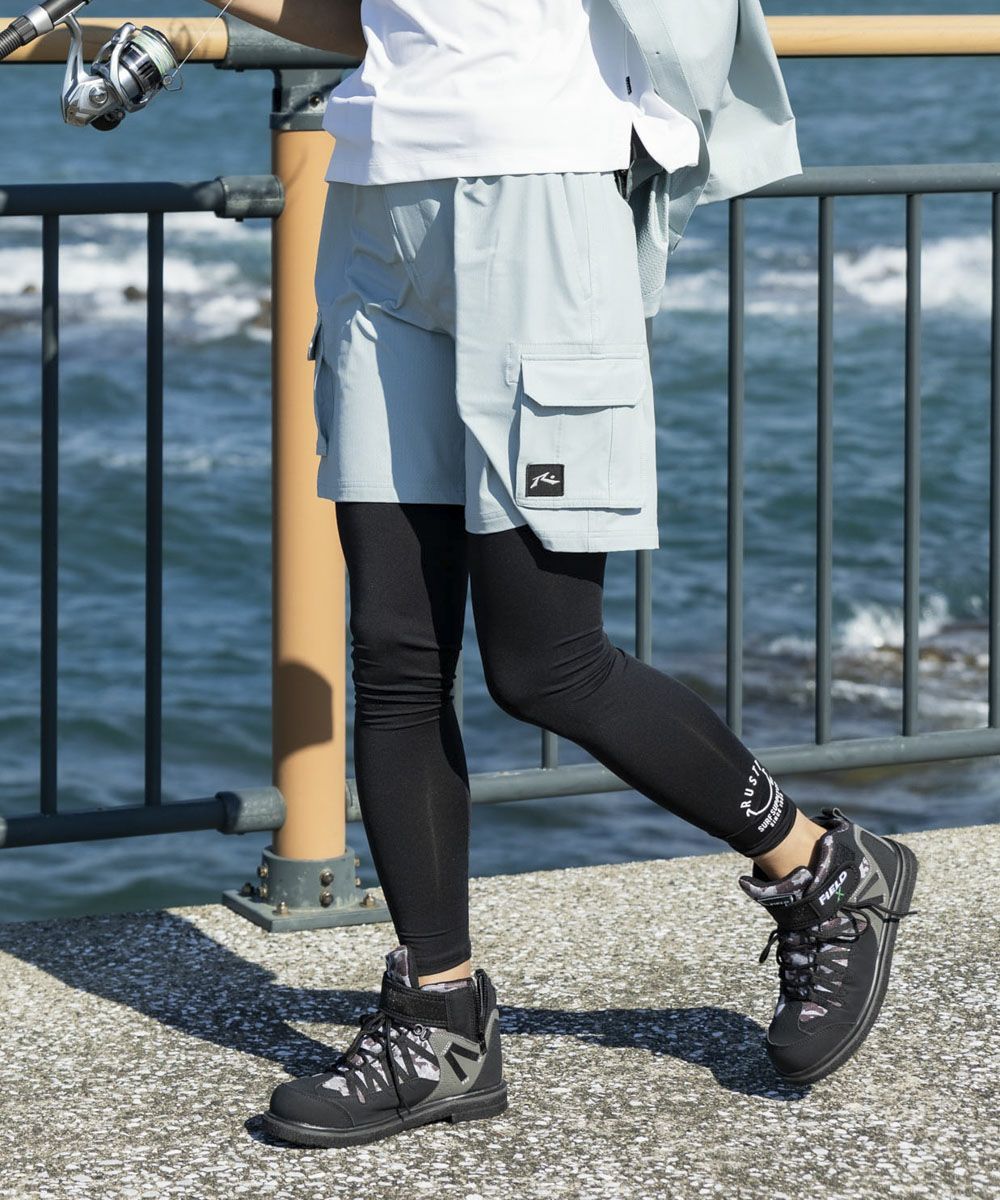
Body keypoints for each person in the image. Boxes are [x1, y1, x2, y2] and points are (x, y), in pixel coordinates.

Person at [206, 1, 918, 1148]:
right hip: (377, 193)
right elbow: (368, 18)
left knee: (546, 664)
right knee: (395, 650)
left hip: (541, 193)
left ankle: (819, 866)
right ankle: (438, 1023)